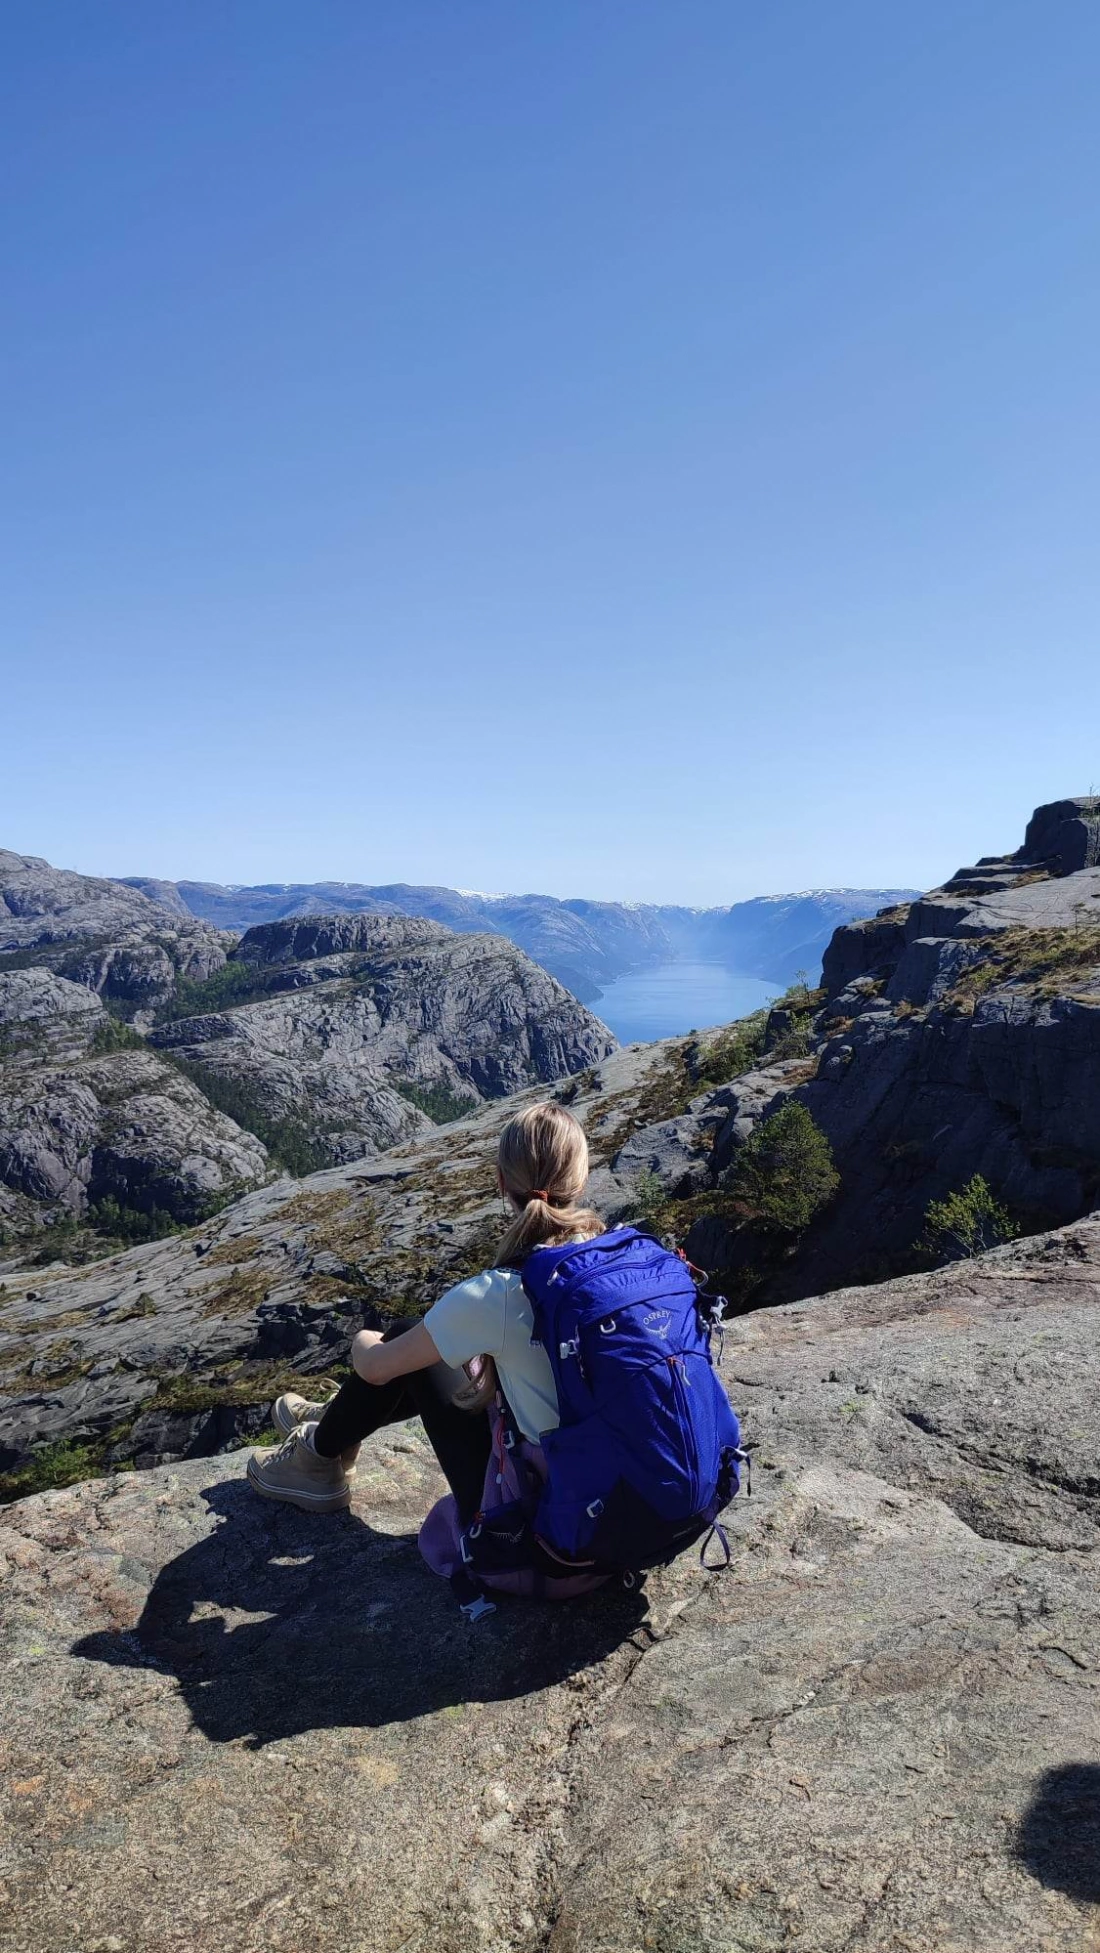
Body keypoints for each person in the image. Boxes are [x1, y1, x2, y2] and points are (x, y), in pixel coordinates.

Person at [246, 1100, 604, 1524]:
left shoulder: (500, 1293)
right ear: (580, 1181)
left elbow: (378, 1369)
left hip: (548, 1521)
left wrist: (365, 1341)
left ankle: (319, 1453)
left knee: (405, 1339)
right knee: (430, 1344)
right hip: (630, 1504)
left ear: (501, 1181)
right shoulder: (621, 1260)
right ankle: (331, 1425)